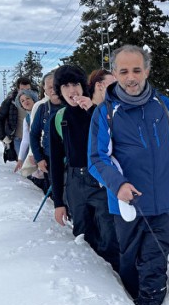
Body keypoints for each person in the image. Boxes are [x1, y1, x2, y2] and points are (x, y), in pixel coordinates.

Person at [88, 45, 169, 305]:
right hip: (127, 205)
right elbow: (97, 159)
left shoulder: (163, 105)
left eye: (137, 69)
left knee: (156, 258)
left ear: (146, 70)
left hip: (163, 201)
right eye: (124, 71)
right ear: (115, 74)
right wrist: (118, 185)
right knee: (130, 261)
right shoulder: (106, 113)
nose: (131, 77)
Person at [48, 65, 119, 270]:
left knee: (109, 234)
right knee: (83, 234)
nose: (72, 90)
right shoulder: (58, 119)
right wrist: (58, 203)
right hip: (74, 183)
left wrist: (93, 111)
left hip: (100, 179)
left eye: (76, 84)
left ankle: (118, 280)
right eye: (66, 86)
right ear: (60, 91)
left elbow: (118, 141)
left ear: (83, 87)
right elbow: (55, 161)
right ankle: (94, 279)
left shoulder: (100, 112)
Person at [29, 71, 62, 192]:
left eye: (56, 86)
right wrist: (39, 158)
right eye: (50, 87)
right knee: (56, 193)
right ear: (45, 90)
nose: (53, 90)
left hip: (70, 161)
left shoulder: (72, 107)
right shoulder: (42, 109)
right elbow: (34, 135)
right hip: (50, 160)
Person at [0, 76, 32, 158]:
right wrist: (2, 136)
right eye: (22, 90)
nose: (25, 92)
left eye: (28, 89)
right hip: (18, 139)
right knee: (24, 166)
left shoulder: (36, 100)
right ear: (18, 89)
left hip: (35, 140)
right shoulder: (10, 102)